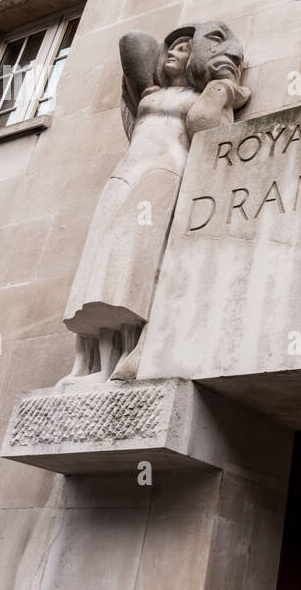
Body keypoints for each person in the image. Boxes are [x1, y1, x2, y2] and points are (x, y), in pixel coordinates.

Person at [58, 21, 249, 385]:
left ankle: (133, 351)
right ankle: (91, 363)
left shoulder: (202, 95)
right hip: (126, 172)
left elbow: (208, 131)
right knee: (102, 261)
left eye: (184, 48)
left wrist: (221, 87)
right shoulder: (149, 92)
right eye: (172, 48)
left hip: (165, 172)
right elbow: (132, 42)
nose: (175, 53)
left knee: (135, 264)